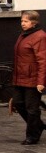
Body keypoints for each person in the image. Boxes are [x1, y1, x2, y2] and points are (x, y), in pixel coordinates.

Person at [12, 10, 46, 145]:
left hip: (33, 79)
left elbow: (43, 61)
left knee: (32, 109)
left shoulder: (40, 36)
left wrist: (41, 82)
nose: (22, 23)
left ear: (34, 22)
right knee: (18, 103)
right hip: (20, 77)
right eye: (22, 21)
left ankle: (32, 135)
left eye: (25, 21)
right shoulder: (24, 35)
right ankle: (39, 125)